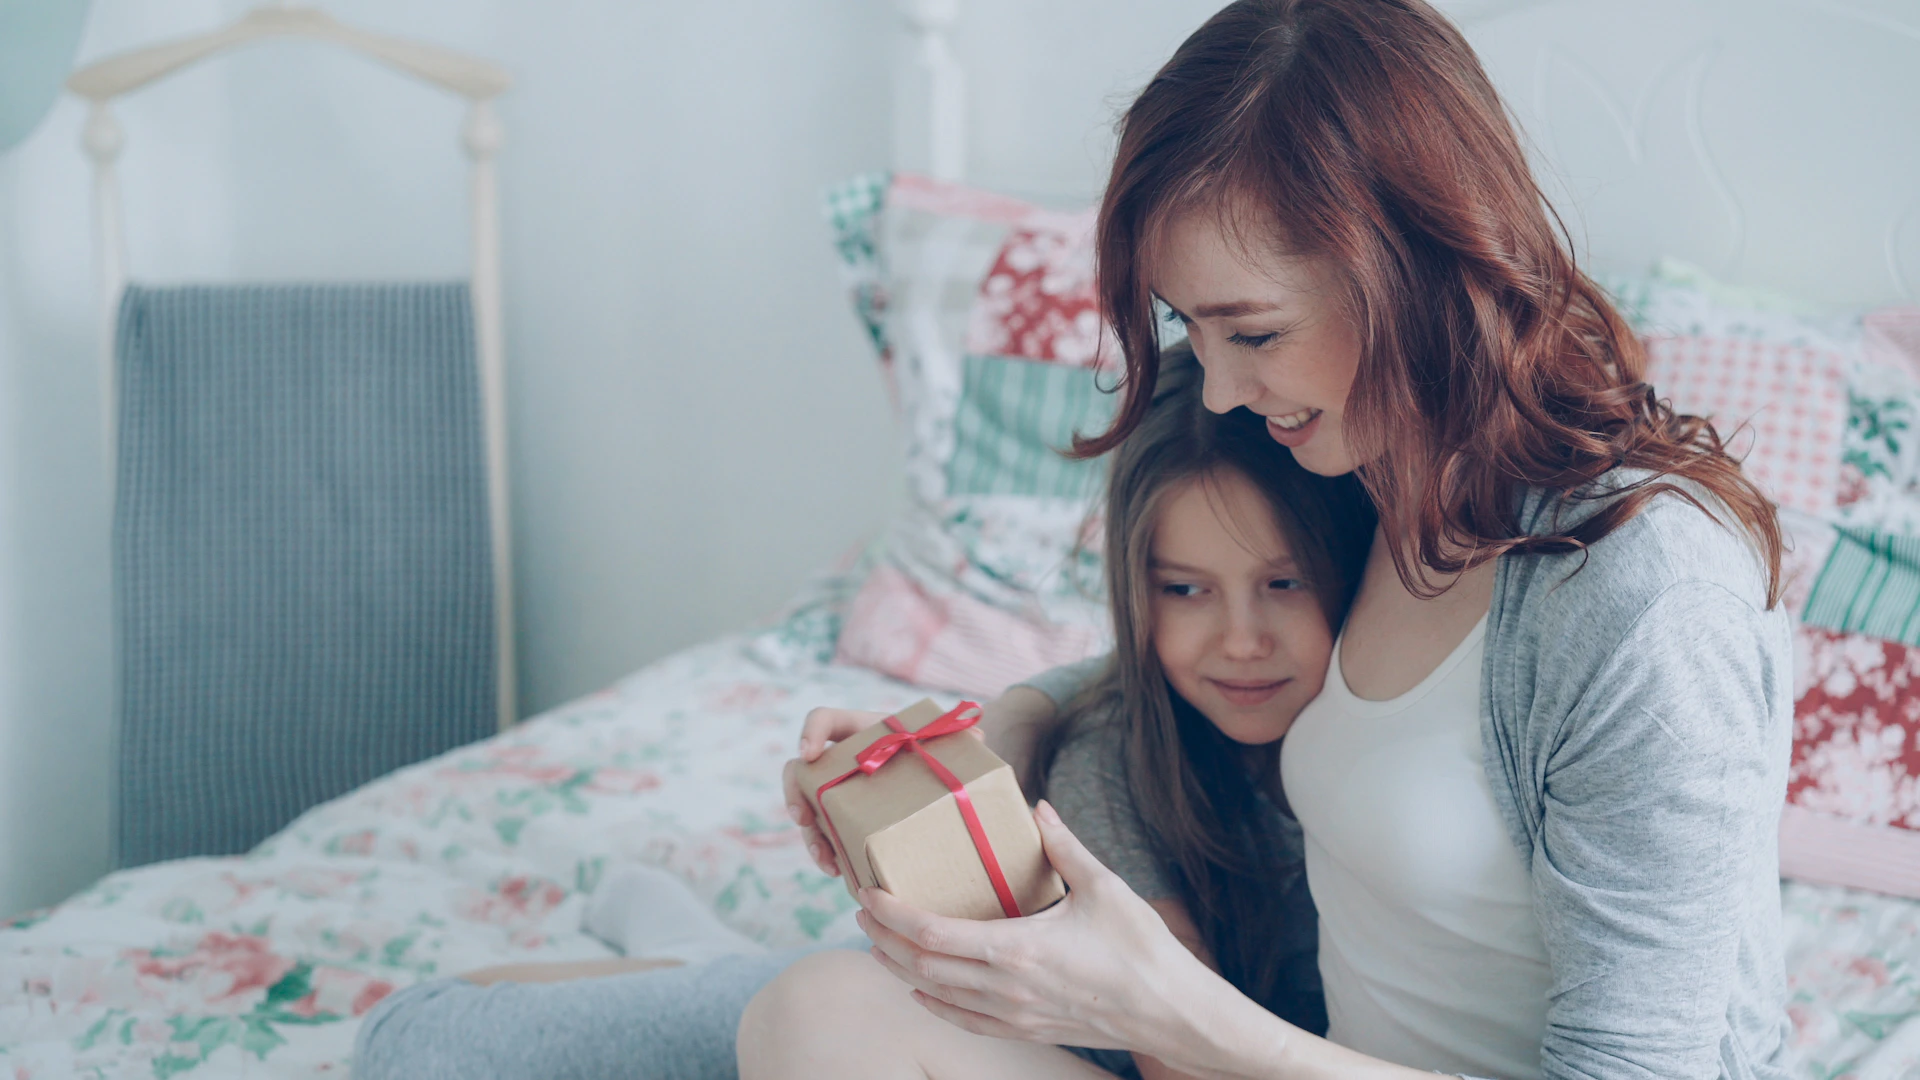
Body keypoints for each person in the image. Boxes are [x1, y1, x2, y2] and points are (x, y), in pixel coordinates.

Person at [742, 0, 1794, 1078]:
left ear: (1417, 271)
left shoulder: (1644, 596)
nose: (1228, 390)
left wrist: (1169, 1010)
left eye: (1254, 332)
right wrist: (1002, 732)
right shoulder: (1376, 478)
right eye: (1191, 329)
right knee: (820, 1011)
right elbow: (1193, 650)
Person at [350, 351, 1371, 1079]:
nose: (1239, 639)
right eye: (1184, 590)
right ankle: (701, 955)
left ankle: (687, 938)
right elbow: (1172, 1052)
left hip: (954, 1030)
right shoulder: (1118, 765)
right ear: (1131, 590)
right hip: (992, 1040)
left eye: (1283, 584)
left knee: (791, 1000)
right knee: (417, 1046)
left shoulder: (1396, 738)